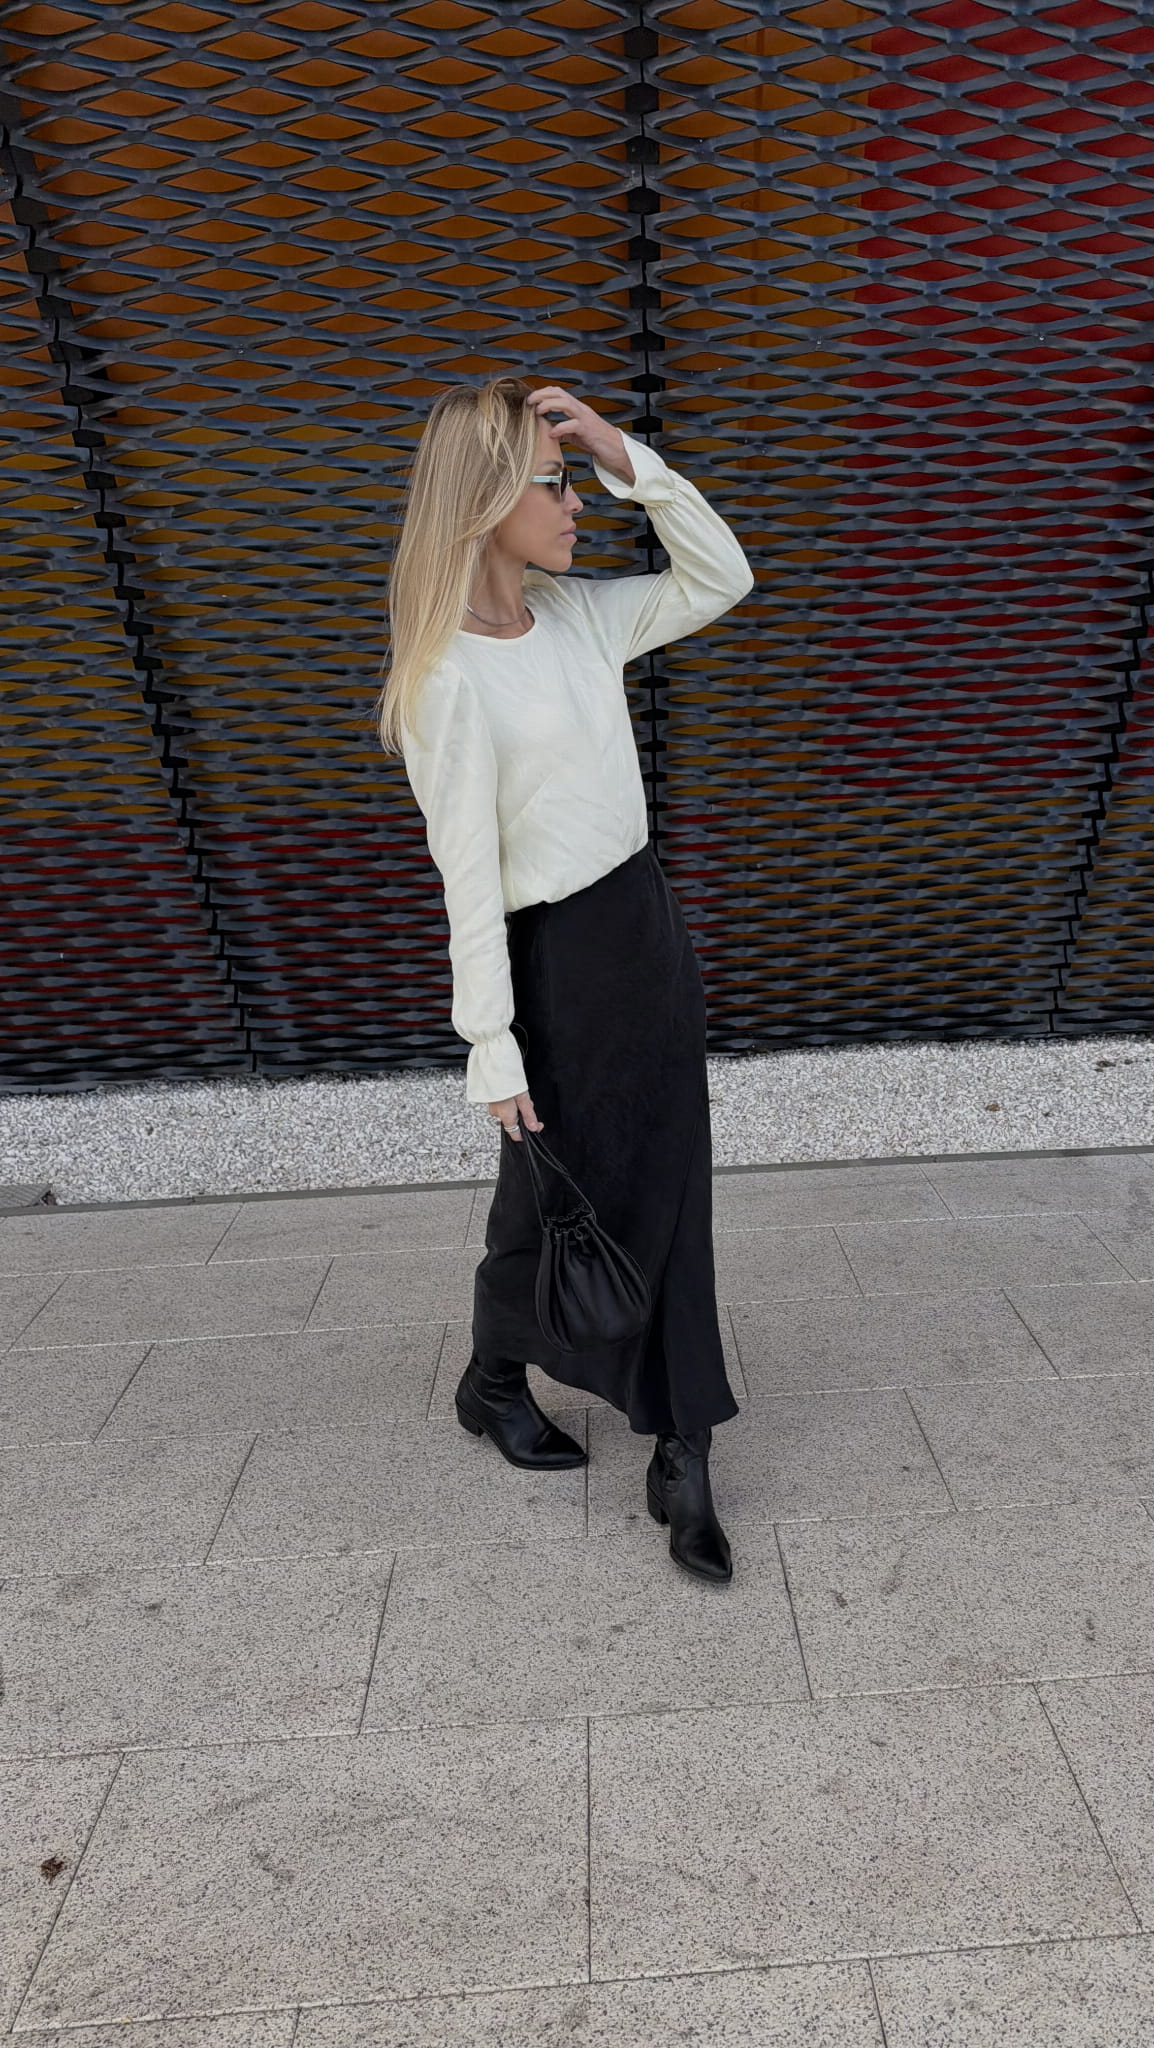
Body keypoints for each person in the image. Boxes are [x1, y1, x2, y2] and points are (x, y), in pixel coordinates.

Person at [379, 375, 755, 1583]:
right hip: (558, 966)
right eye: (550, 483)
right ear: (484, 501)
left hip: (645, 929)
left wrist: (619, 451)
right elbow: (467, 878)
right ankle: (497, 1379)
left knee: (670, 1185)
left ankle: (680, 1446)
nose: (574, 503)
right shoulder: (444, 677)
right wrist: (490, 1043)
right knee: (558, 1199)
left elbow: (723, 576)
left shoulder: (581, 615)